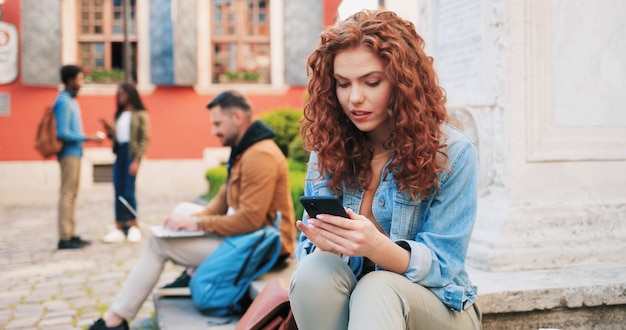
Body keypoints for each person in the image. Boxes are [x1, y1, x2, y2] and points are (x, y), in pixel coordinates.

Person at [289, 9, 481, 330]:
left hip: (439, 307)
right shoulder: (327, 150)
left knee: (377, 288)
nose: (355, 98)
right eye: (342, 84)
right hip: (352, 308)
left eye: (372, 82)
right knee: (313, 271)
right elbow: (310, 255)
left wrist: (377, 248)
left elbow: (443, 266)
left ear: (403, 82)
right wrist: (324, 244)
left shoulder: (452, 152)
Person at [88, 90, 296, 330]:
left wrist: (197, 225)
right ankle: (190, 271)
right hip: (246, 239)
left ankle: (115, 320)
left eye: (218, 123)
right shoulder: (244, 150)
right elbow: (222, 200)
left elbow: (250, 220)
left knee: (158, 244)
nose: (214, 131)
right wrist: (187, 221)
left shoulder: (260, 155)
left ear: (237, 117)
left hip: (263, 248)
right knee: (183, 211)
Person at [53, 65, 104, 250]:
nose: (81, 82)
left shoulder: (71, 100)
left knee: (72, 194)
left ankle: (71, 233)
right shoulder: (63, 102)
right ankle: (65, 236)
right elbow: (62, 133)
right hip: (68, 153)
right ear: (70, 80)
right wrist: (88, 137)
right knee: (67, 194)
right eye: (79, 79)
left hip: (75, 153)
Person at [100, 83, 150, 243]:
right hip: (120, 153)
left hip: (131, 153)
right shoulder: (119, 115)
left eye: (123, 94)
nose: (120, 97)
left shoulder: (140, 114)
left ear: (131, 94)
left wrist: (137, 160)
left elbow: (144, 139)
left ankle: (134, 225)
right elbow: (117, 139)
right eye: (118, 94)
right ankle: (119, 226)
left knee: (129, 190)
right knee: (118, 190)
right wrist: (110, 131)